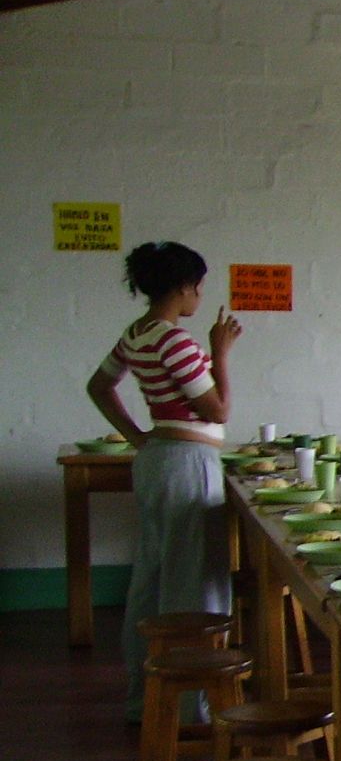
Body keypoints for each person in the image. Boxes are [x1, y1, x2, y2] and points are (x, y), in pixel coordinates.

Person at [87, 241, 243, 717]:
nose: (199, 296)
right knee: (194, 579)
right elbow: (216, 408)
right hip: (186, 462)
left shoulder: (137, 332)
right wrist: (220, 352)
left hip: (158, 456)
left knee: (153, 577)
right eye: (198, 286)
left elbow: (99, 385)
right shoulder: (175, 340)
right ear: (183, 287)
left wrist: (139, 437)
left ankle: (146, 695)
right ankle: (192, 704)